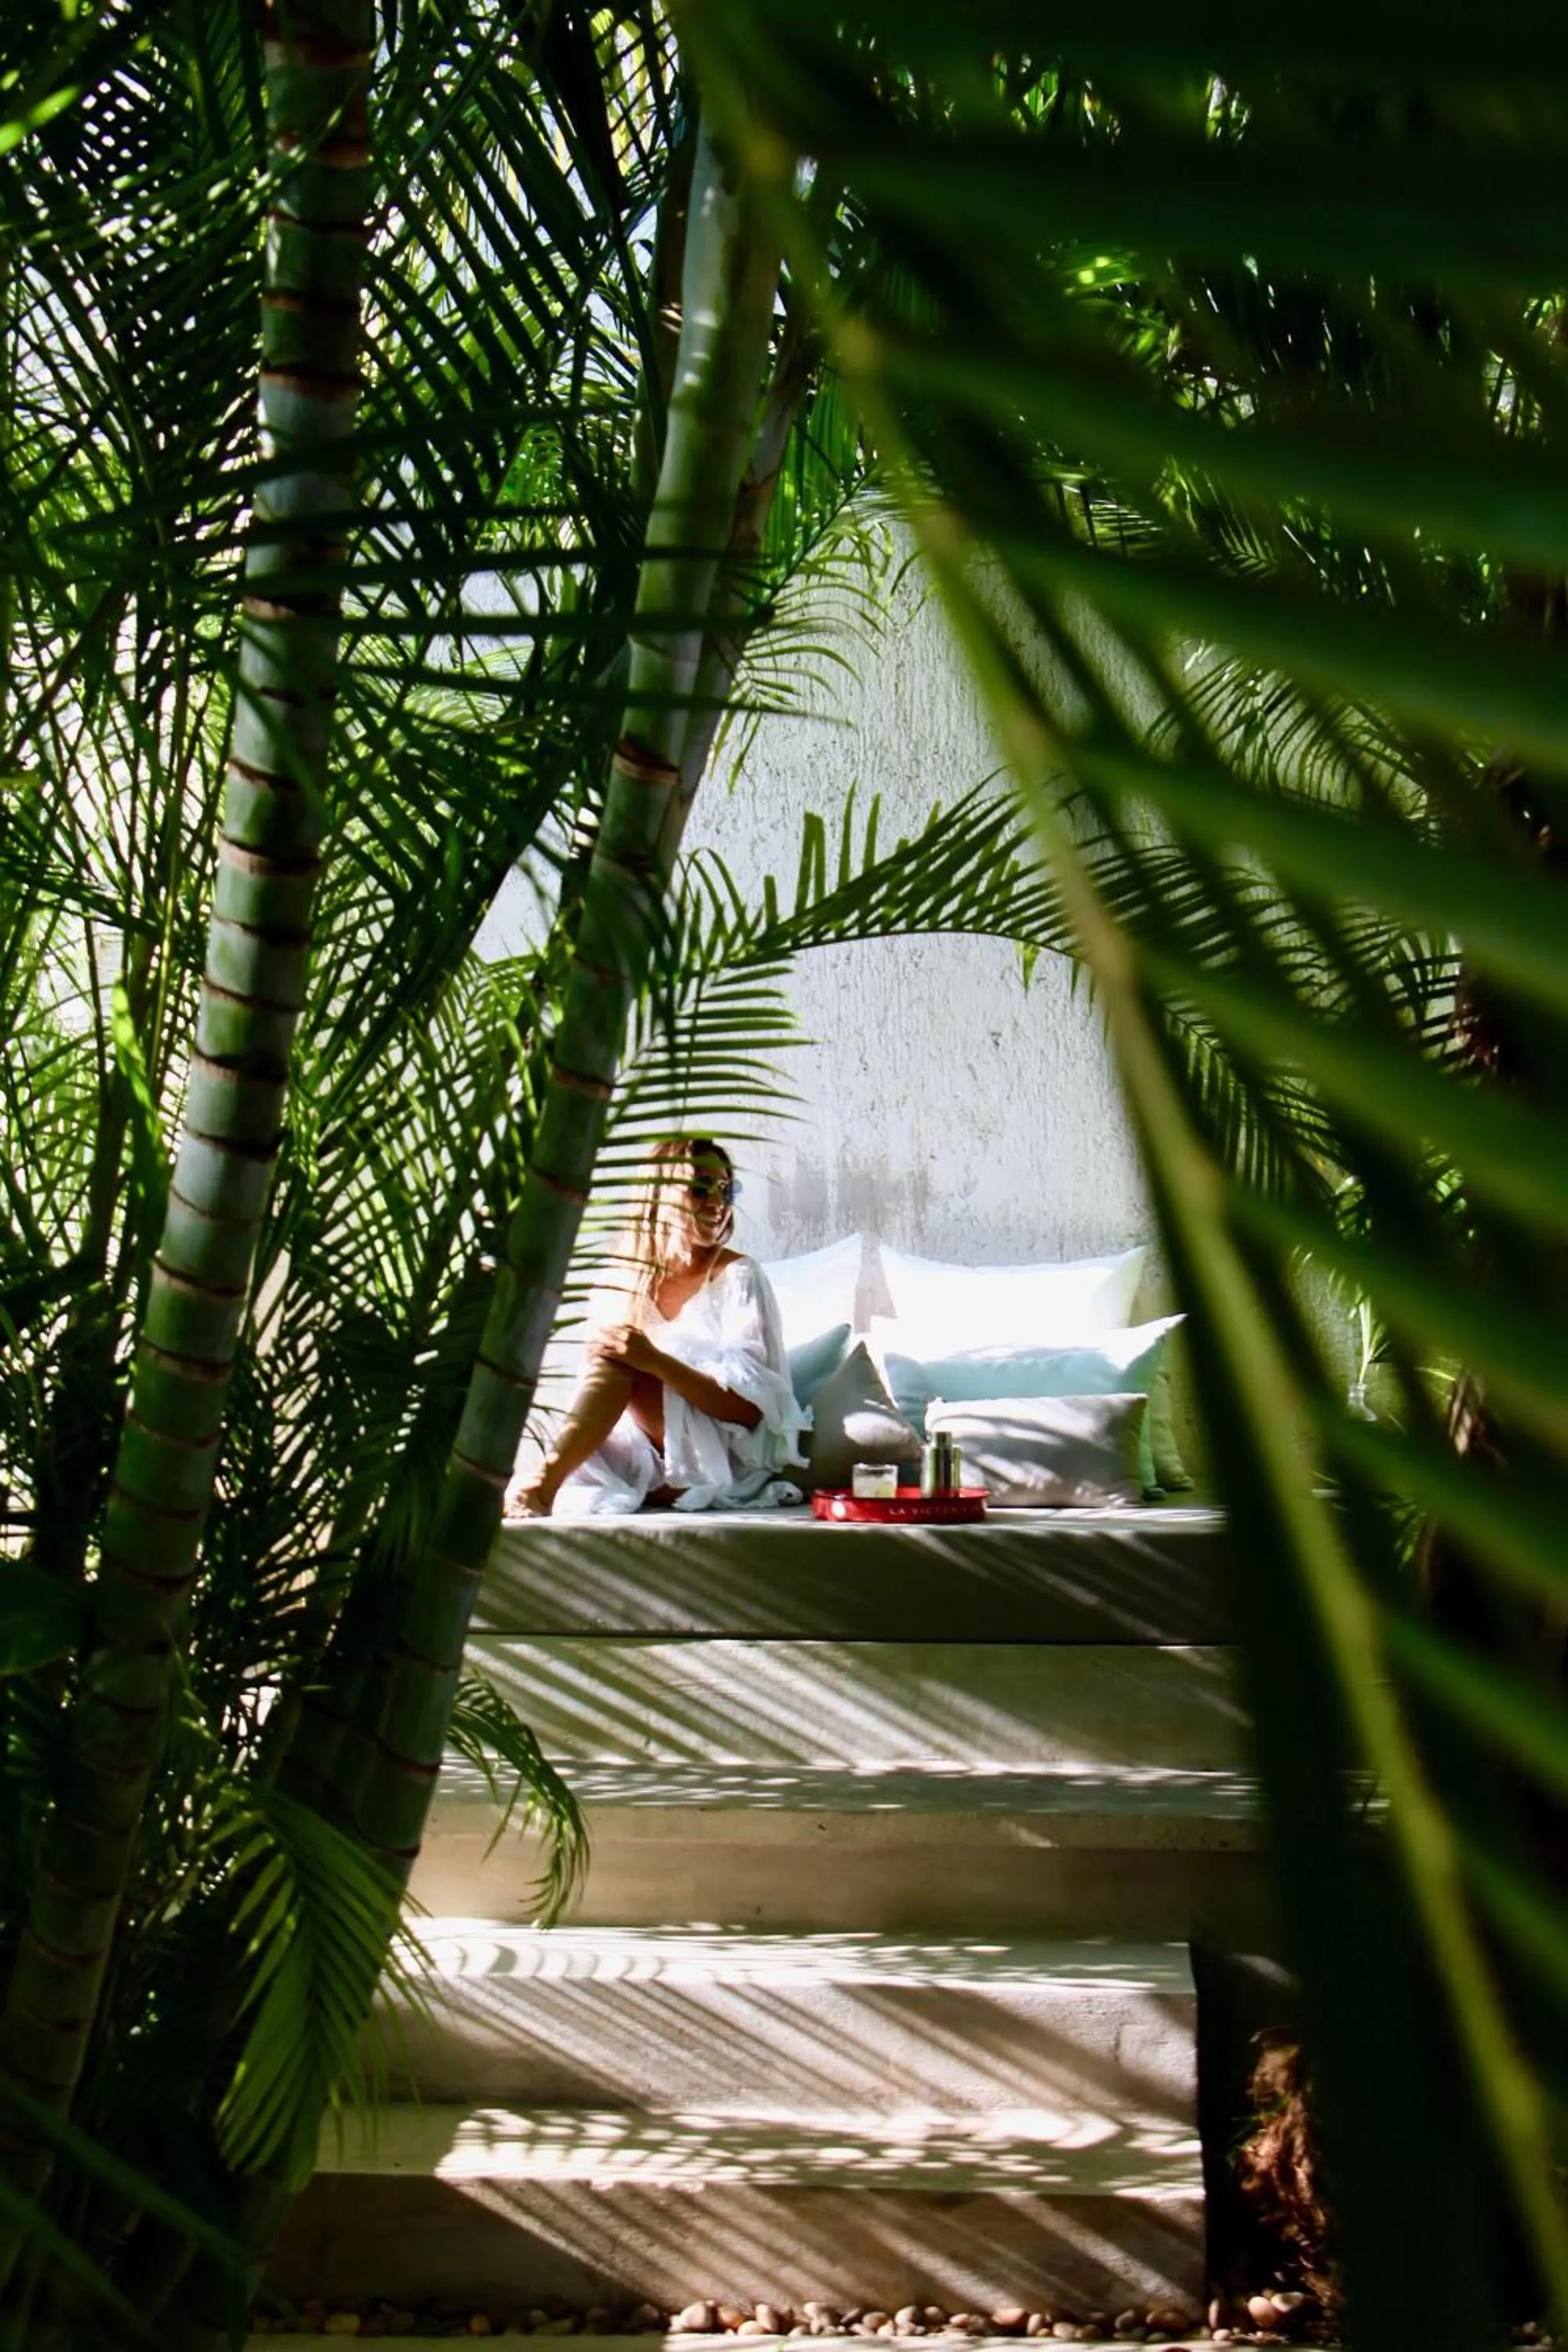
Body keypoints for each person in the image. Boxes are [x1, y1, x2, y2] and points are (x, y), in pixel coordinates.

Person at [504, 1138, 808, 1516]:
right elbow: (596, 1389)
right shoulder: (621, 1277)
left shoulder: (738, 1276)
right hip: (641, 1457)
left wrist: (654, 1362)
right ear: (660, 1195)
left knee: (622, 1361)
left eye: (726, 1190)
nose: (717, 1202)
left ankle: (541, 1487)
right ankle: (544, 1483)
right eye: (700, 1188)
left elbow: (750, 1411)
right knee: (611, 1360)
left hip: (715, 1461)